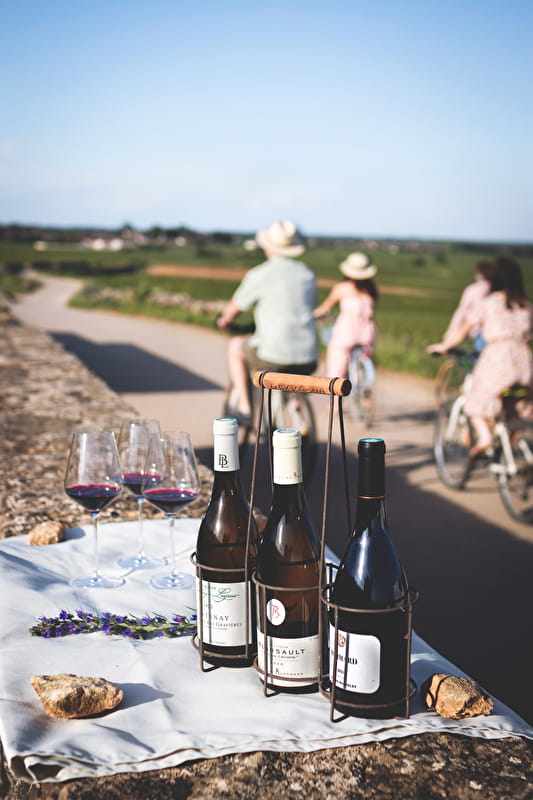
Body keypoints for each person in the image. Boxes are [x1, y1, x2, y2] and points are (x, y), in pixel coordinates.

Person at [428, 257, 533, 457]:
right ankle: (513, 441)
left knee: (474, 401)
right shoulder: (525, 306)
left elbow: (462, 332)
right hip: (524, 362)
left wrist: (444, 346)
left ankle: (485, 438)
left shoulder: (488, 303)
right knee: (511, 404)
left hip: (498, 359)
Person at [217, 220, 318, 421]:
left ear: (268, 247)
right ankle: (296, 406)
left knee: (235, 347)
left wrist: (224, 322)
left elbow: (234, 309)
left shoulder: (261, 274)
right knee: (292, 374)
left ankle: (245, 408)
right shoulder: (308, 274)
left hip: (273, 354)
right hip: (308, 356)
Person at [313, 252, 378, 399]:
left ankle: (334, 403)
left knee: (337, 364)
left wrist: (313, 315)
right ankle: (366, 399)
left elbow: (325, 308)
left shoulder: (342, 287)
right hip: (367, 333)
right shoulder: (371, 289)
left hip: (347, 333)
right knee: (366, 358)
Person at [441, 260, 494, 353]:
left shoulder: (473, 290)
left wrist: (451, 332)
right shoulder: (497, 291)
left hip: (476, 331)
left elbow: (461, 311)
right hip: (495, 333)